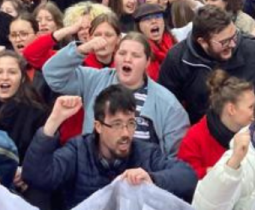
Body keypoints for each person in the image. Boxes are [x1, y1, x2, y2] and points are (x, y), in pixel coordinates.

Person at [22, 88, 198, 210]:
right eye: (116, 125)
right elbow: (36, 176)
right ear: (98, 126)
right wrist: (53, 122)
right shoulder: (78, 150)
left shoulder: (146, 152)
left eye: (131, 124)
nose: (126, 133)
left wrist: (152, 178)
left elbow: (188, 177)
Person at [44, 33, 189, 157]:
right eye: (122, 53)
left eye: (136, 55)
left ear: (147, 62)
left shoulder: (168, 104)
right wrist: (82, 49)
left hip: (140, 181)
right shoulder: (94, 79)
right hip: (93, 175)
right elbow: (52, 74)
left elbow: (175, 157)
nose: (127, 59)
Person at [158, 6, 255, 124]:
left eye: (234, 36)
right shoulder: (178, 59)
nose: (233, 44)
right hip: (203, 135)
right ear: (202, 41)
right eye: (224, 42)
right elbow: (166, 108)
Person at [177, 70, 255, 180]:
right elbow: (183, 179)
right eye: (251, 107)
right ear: (232, 109)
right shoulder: (195, 139)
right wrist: (213, 173)